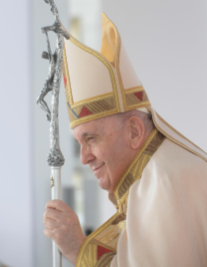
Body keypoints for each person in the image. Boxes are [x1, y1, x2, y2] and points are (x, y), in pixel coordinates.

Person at [43, 14, 207, 267]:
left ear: (134, 132)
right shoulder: (157, 172)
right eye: (79, 143)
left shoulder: (162, 182)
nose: (84, 157)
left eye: (92, 138)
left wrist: (77, 247)